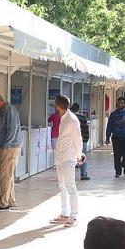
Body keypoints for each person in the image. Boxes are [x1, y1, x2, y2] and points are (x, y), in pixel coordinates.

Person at [50, 95, 83, 227]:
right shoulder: (64, 118)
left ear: (58, 105)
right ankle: (64, 213)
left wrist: (79, 155)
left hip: (69, 157)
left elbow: (78, 138)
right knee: (62, 186)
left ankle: (73, 216)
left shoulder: (71, 119)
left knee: (70, 187)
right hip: (60, 156)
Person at [0, 92, 21, 211]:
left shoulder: (9, 111)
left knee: (4, 176)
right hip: (7, 147)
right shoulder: (4, 111)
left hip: (9, 148)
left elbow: (12, 130)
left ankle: (3, 203)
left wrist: (5, 146)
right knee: (9, 176)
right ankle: (11, 200)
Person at [105, 97, 125, 178]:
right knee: (117, 155)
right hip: (116, 137)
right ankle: (118, 171)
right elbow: (109, 126)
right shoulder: (113, 114)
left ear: (124, 104)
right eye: (119, 103)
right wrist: (107, 137)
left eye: (122, 103)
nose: (120, 104)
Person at [72, 103, 90, 181]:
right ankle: (83, 174)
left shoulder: (70, 118)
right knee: (82, 157)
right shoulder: (83, 118)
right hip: (82, 140)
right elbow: (86, 129)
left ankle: (69, 176)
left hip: (72, 141)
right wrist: (86, 139)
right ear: (78, 109)